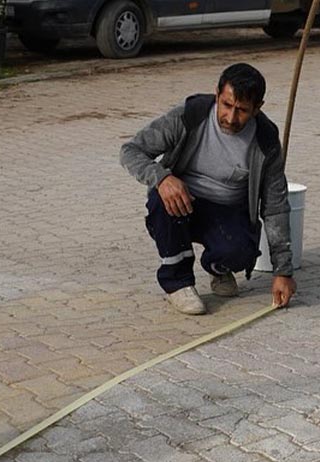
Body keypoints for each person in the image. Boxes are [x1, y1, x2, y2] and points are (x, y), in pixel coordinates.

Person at [121, 62, 297, 315]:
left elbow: (276, 207)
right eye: (226, 105)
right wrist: (162, 178)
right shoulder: (189, 115)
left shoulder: (266, 140)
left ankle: (218, 268)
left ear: (258, 108)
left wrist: (283, 271)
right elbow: (130, 151)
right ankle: (178, 283)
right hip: (182, 202)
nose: (231, 118)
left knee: (241, 252)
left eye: (242, 110)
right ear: (217, 94)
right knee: (163, 201)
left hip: (228, 211)